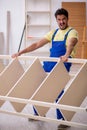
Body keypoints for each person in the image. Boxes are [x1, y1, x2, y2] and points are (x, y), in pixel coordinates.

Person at [12, 8, 78, 128]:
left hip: (62, 64)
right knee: (38, 85)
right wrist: (20, 52)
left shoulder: (72, 32)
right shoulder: (53, 32)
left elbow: (71, 43)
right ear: (56, 20)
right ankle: (38, 114)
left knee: (57, 90)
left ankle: (63, 120)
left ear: (68, 19)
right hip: (50, 62)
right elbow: (36, 44)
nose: (61, 22)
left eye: (64, 19)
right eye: (59, 19)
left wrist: (67, 54)